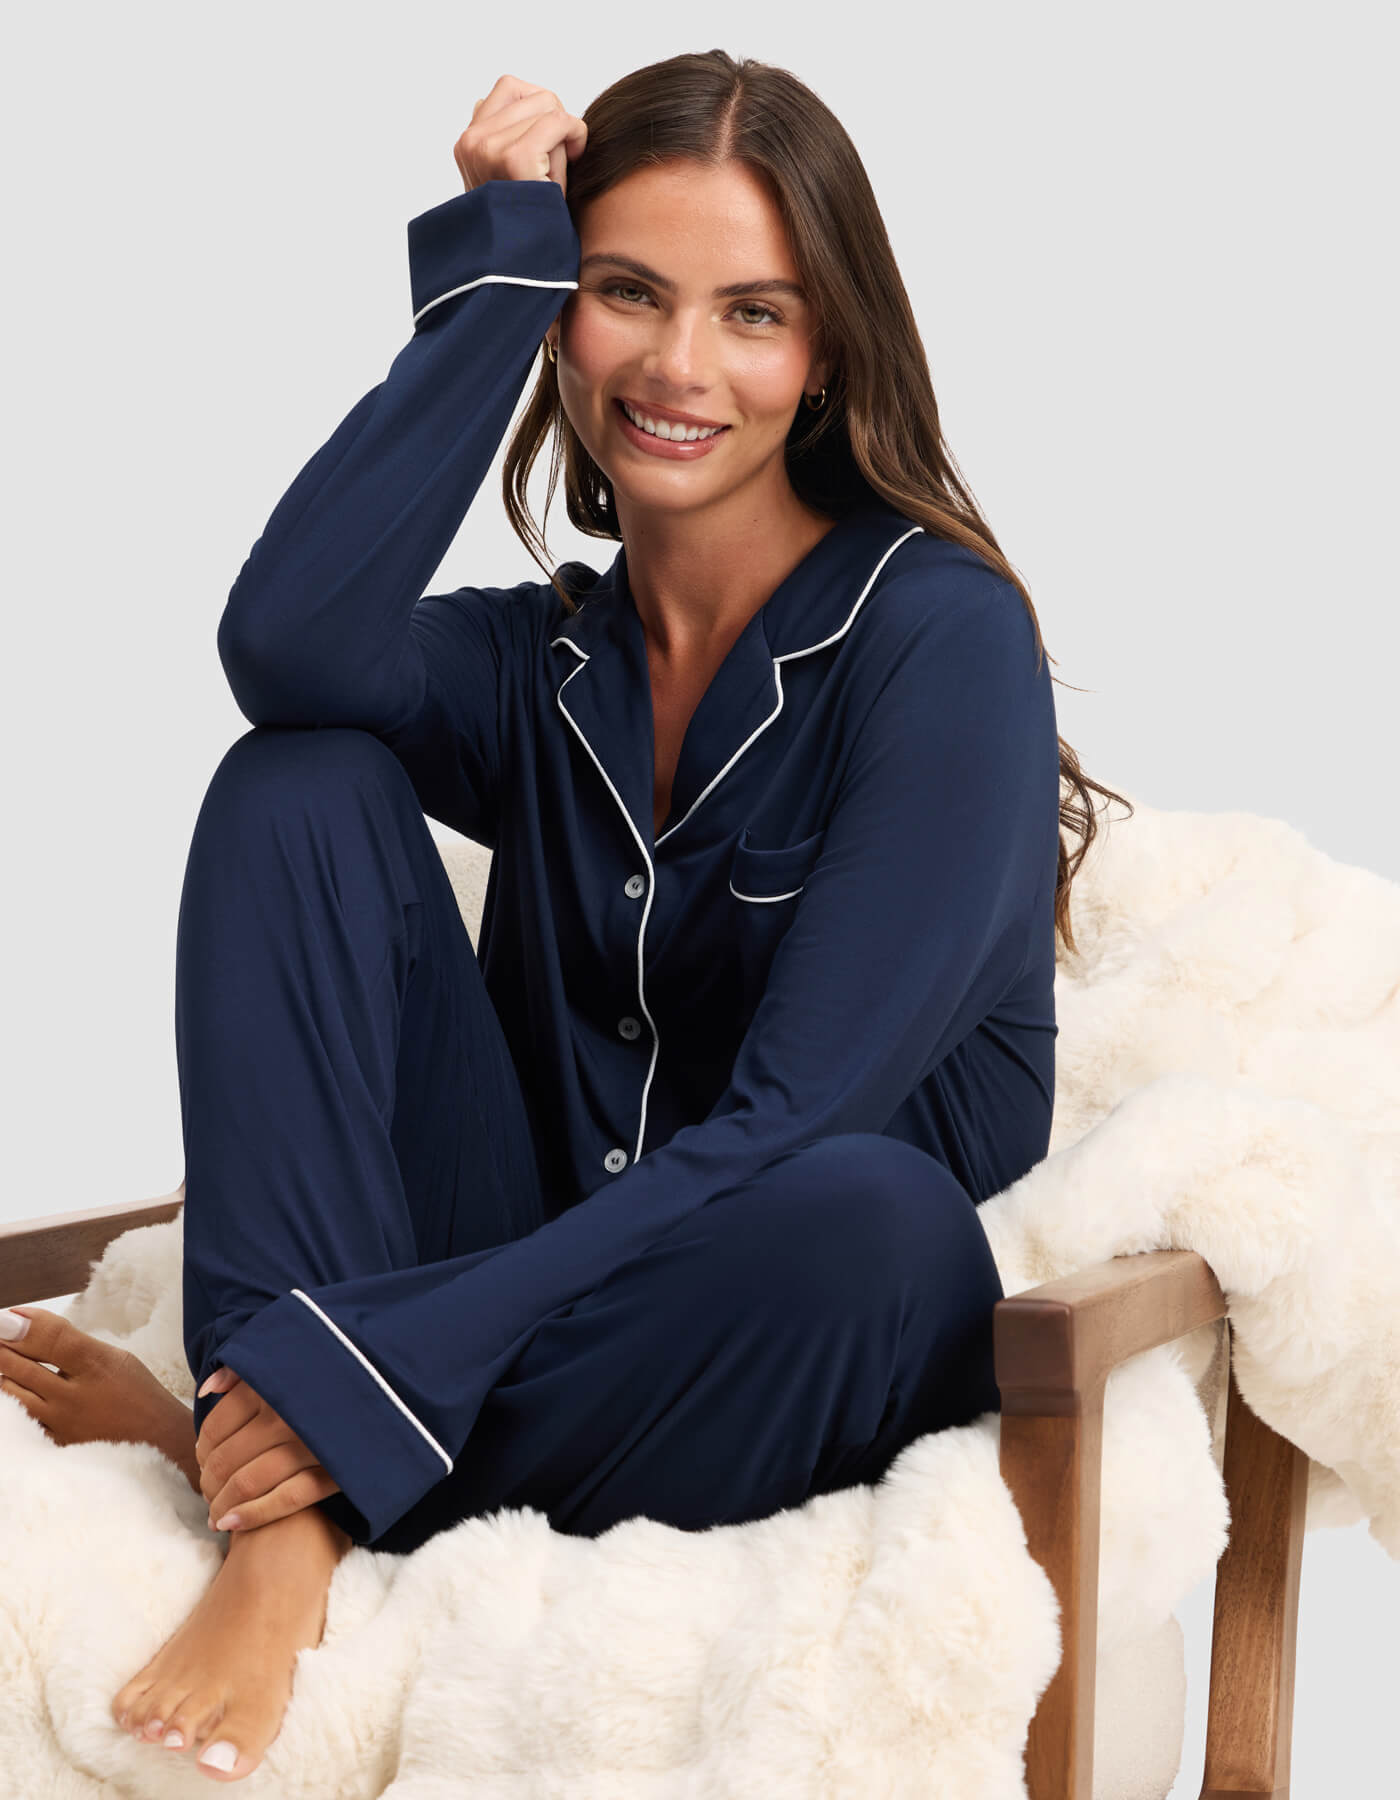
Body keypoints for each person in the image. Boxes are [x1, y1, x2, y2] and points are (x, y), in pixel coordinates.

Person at [0, 52, 1128, 1784]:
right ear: (565, 320)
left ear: (829, 355)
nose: (680, 366)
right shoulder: (545, 660)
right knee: (294, 787)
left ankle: (280, 1470)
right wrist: (497, 274)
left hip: (766, 1314)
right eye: (625, 292)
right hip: (521, 1274)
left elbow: (789, 1123)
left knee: (879, 1223)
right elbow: (285, 650)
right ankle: (288, 1489)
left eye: (754, 313)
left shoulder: (941, 640)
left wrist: (370, 1370)